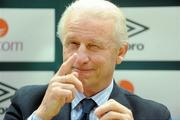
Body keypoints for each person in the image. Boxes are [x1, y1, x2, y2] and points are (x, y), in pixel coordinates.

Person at [4, 0, 172, 120]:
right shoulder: (26, 102)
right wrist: (41, 116)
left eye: (94, 46)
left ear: (120, 52)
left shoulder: (155, 115)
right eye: (73, 43)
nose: (81, 58)